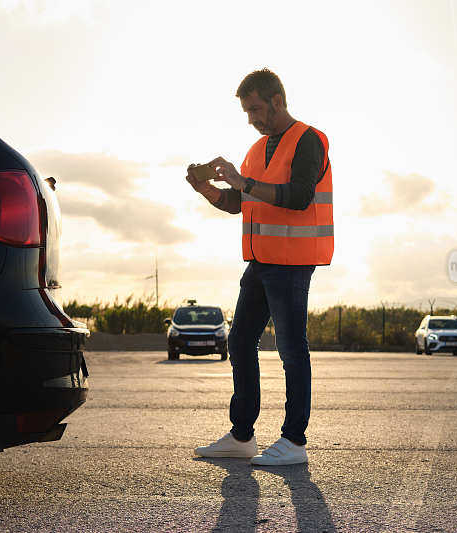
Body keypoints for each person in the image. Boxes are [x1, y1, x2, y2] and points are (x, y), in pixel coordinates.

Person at [188, 68, 333, 465]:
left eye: (255, 109)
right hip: (261, 260)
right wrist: (208, 190)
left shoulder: (309, 140)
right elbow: (241, 204)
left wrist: (241, 181)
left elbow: (299, 196)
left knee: (291, 348)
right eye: (247, 113)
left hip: (292, 261)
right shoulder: (255, 150)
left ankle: (294, 442)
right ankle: (242, 436)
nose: (251, 119)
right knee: (239, 341)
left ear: (277, 101)